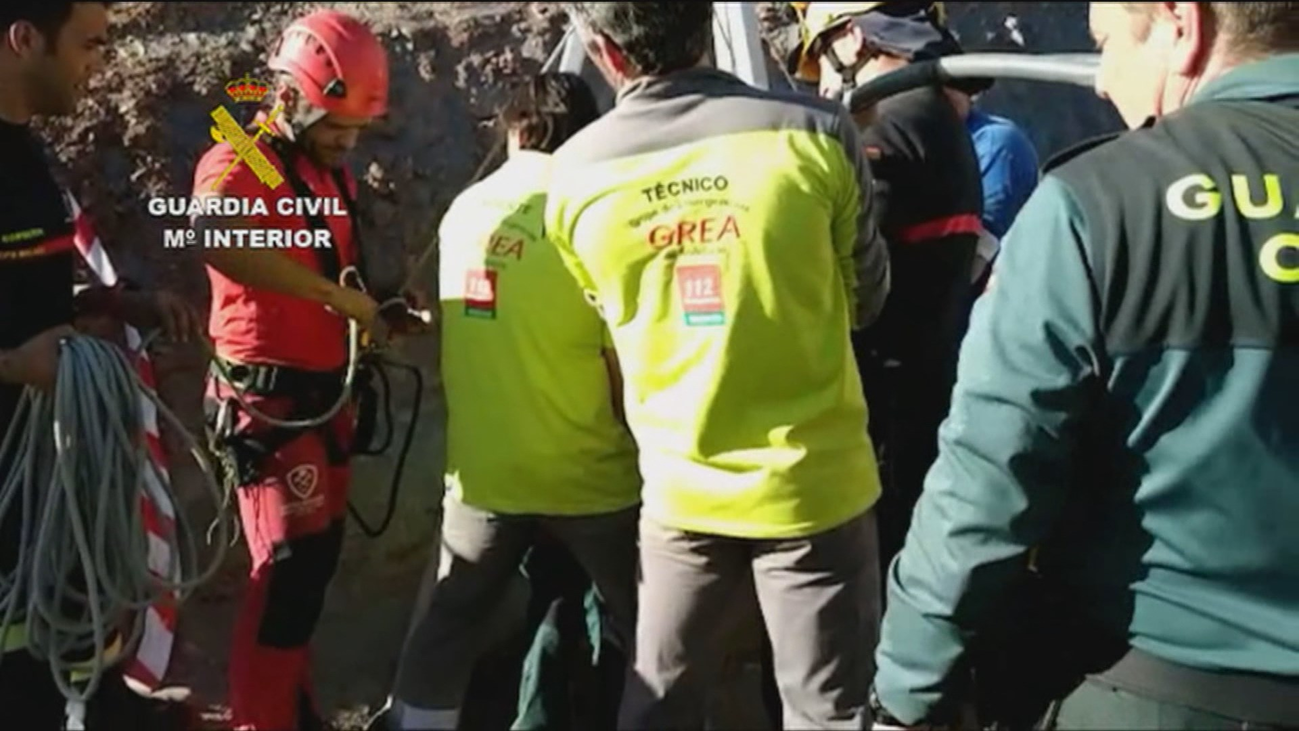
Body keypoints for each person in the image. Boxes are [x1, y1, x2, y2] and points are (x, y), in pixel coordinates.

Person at [872, 2, 1299, 729]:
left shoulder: (1095, 204)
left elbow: (988, 477)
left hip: (1155, 681)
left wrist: (905, 690)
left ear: (1180, 24)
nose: (1101, 79)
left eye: (1108, 43)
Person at [550, 3, 891, 728]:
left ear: (604, 51)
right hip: (815, 489)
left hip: (681, 494)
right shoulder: (817, 133)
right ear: (706, 23)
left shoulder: (573, 178)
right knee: (828, 711)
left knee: (657, 707)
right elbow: (867, 299)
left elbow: (611, 317)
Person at [383, 71, 641, 731]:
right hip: (591, 472)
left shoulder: (466, 209)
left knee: (449, 621)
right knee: (648, 621)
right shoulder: (594, 210)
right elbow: (617, 355)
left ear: (516, 129)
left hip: (486, 474)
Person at [190, 10, 409, 730]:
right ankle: (262, 719)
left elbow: (324, 260)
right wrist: (335, 299)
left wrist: (374, 308)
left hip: (323, 399)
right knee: (288, 571)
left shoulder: (322, 170)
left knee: (309, 571)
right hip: (270, 406)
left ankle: (291, 707)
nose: (348, 144)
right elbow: (212, 233)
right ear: (289, 99)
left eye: (355, 130)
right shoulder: (250, 157)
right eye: (335, 127)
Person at [0, 2, 205, 727]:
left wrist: (112, 304)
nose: (99, 63)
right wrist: (14, 366)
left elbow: (19, 286)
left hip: (39, 490)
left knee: (63, 641)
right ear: (25, 39)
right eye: (88, 44)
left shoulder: (25, 154)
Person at [795, 1, 983, 572]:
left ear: (852, 39)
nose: (821, 85)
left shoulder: (886, 131)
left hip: (881, 417)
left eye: (822, 57)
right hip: (926, 394)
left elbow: (841, 274)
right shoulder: (935, 118)